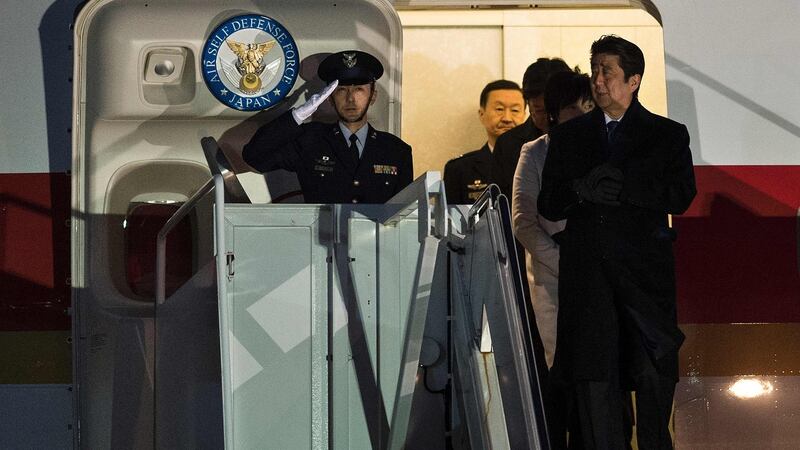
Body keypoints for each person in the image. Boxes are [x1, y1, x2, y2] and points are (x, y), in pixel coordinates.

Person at [538, 35, 696, 449]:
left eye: (607, 70)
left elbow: (681, 195)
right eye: (595, 70)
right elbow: (549, 203)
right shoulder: (571, 137)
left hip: (644, 291)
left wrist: (628, 187)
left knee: (651, 388)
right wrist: (581, 189)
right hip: (589, 289)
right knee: (595, 399)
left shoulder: (666, 135)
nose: (598, 80)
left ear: (634, 79)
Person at [243, 50, 413, 204]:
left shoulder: (396, 150)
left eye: (359, 90)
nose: (351, 99)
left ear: (373, 96)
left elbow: (404, 212)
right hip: (322, 237)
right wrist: (298, 115)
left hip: (378, 238)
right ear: (330, 98)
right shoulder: (311, 139)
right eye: (341, 90)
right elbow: (255, 156)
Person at [512, 70, 594, 369]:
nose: (583, 114)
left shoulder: (602, 149)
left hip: (598, 273)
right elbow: (523, 223)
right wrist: (563, 261)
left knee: (603, 371)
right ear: (555, 114)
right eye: (573, 107)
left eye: (588, 106)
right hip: (552, 275)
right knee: (562, 363)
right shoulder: (535, 151)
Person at [493, 58, 572, 199]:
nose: (551, 118)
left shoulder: (589, 136)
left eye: (555, 110)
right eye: (541, 110)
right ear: (528, 104)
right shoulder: (508, 145)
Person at [443, 79, 525, 204]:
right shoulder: (459, 169)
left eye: (515, 110)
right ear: (482, 114)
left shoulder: (535, 160)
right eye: (499, 109)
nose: (507, 118)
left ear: (524, 115)